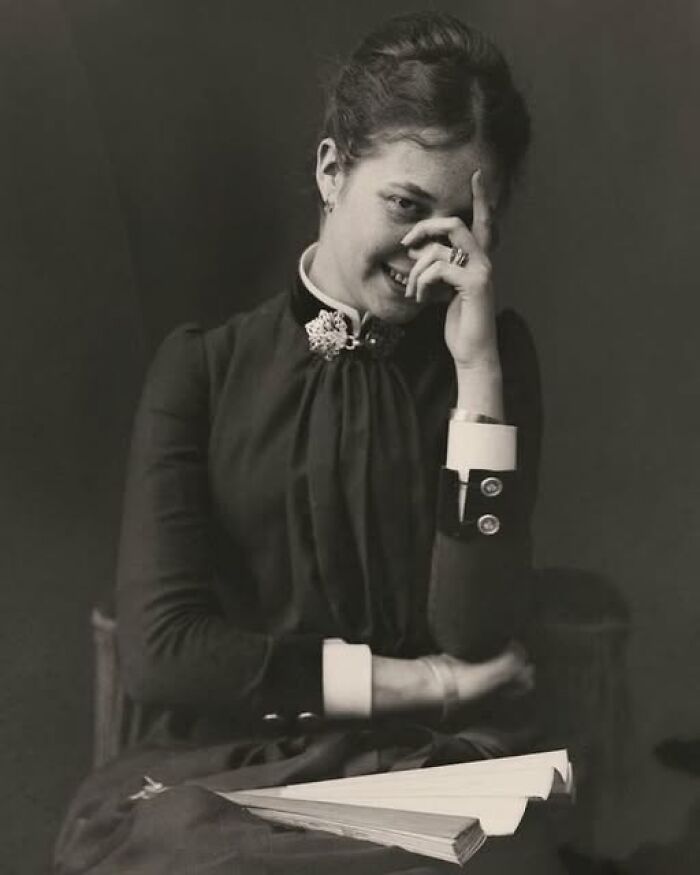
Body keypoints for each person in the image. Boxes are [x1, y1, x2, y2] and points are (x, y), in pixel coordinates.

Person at [54, 11, 566, 874]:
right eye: (405, 205)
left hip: (430, 768)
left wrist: (476, 374)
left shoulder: (493, 362)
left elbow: (474, 631)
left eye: (462, 224)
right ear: (332, 170)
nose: (427, 252)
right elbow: (166, 654)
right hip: (234, 767)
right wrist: (423, 680)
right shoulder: (202, 371)